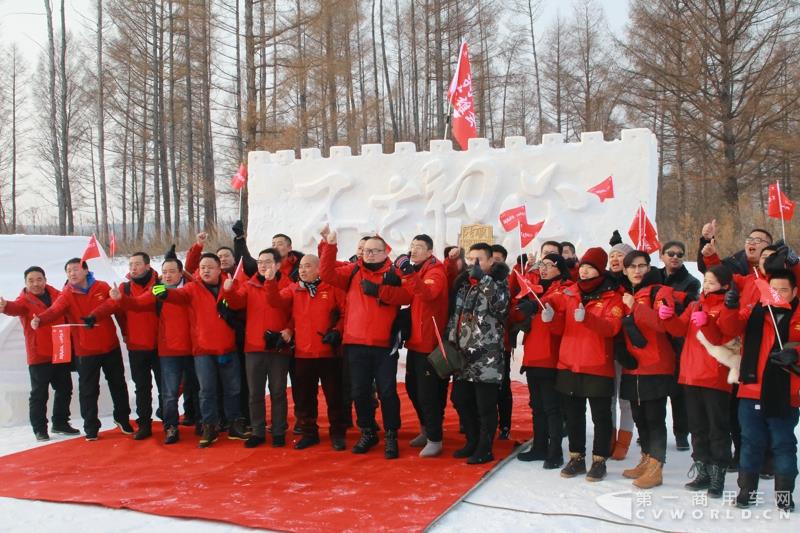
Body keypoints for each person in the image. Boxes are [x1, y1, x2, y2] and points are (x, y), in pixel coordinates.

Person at [711, 269, 799, 511]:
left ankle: (784, 495)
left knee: (783, 444)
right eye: (774, 289)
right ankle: (746, 491)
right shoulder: (755, 311)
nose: (778, 294)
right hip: (751, 390)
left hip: (786, 393)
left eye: (784, 290)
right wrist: (729, 306)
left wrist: (796, 353)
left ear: (794, 292)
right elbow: (729, 328)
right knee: (750, 443)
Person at [319, 226, 408, 459]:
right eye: (366, 250)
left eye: (374, 251)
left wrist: (380, 291)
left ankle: (391, 434)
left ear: (384, 252)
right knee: (359, 392)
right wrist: (329, 245)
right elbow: (327, 274)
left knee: (387, 392)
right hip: (355, 343)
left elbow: (407, 296)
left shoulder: (394, 273)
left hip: (384, 344)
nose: (368, 254)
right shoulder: (352, 271)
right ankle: (368, 431)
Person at [32, 258, 132, 441]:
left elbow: (113, 305)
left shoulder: (102, 286)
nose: (72, 273)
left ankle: (123, 418)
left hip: (110, 346)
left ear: (86, 270)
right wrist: (40, 319)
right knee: (88, 390)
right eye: (68, 271)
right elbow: (55, 310)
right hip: (85, 351)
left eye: (75, 269)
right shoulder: (67, 293)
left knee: (118, 384)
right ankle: (91, 427)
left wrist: (97, 315)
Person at [158, 253, 250, 447]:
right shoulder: (192, 288)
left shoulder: (231, 283)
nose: (206, 270)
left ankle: (234, 423)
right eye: (202, 267)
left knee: (233, 389)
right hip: (203, 349)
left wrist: (229, 292)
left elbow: (239, 303)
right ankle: (209, 426)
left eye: (210, 267)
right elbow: (177, 295)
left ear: (219, 269)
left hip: (227, 347)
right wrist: (165, 293)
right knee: (206, 391)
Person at [547, 247, 622, 482]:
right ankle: (577, 457)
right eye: (584, 267)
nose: (586, 272)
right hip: (569, 362)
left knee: (600, 415)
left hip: (597, 364)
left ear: (600, 270)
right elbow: (561, 328)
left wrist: (588, 319)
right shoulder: (570, 293)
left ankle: (599, 460)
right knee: (574, 413)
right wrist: (551, 319)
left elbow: (612, 328)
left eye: (591, 268)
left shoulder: (613, 296)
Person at [106, 252, 198, 444]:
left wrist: (196, 248)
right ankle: (160, 425)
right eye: (165, 271)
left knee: (195, 387)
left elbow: (197, 281)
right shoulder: (156, 289)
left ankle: (201, 422)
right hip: (160, 348)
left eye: (173, 271)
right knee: (163, 391)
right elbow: (138, 304)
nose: (168, 275)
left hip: (190, 347)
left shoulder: (191, 288)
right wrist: (119, 300)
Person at [663, 264, 737, 498]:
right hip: (691, 372)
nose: (707, 285)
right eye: (705, 281)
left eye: (712, 282)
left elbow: (722, 338)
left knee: (717, 428)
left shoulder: (728, 306)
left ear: (725, 285)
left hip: (715, 375)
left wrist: (707, 322)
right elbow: (679, 329)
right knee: (697, 427)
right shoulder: (696, 304)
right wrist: (668, 318)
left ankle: (718, 474)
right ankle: (702, 469)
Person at [265, 254, 349, 451]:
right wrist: (270, 282)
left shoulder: (332, 287)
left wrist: (337, 331)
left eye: (308, 266)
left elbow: (346, 313)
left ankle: (338, 433)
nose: (302, 270)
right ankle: (309, 432)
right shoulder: (295, 289)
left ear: (319, 269)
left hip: (329, 353)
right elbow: (276, 301)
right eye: (301, 267)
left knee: (335, 396)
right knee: (303, 397)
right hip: (303, 353)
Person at [223, 248, 293, 448]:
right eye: (260, 262)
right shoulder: (250, 284)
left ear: (278, 264)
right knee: (255, 393)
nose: (263, 265)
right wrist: (228, 289)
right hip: (253, 346)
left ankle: (278, 430)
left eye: (268, 262)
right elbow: (236, 303)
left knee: (278, 391)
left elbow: (277, 301)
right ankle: (258, 430)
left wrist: (270, 282)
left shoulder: (288, 284)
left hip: (278, 348)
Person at [617, 251, 676, 489]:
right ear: (625, 270)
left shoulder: (660, 292)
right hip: (633, 367)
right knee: (639, 416)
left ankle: (656, 465)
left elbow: (664, 325)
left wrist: (636, 308)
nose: (637, 270)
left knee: (654, 417)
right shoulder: (626, 295)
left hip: (656, 365)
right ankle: (646, 457)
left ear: (650, 268)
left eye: (642, 266)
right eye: (632, 267)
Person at [448, 242, 510, 464]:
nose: (473, 263)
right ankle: (473, 441)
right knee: (460, 398)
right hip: (463, 354)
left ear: (490, 261)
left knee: (485, 405)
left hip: (487, 356)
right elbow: (456, 315)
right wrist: (450, 340)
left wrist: (484, 280)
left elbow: (501, 306)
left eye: (479, 259)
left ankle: (485, 447)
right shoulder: (464, 284)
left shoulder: (499, 282)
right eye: (470, 258)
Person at [0, 267, 78, 441]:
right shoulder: (24, 301)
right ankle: (40, 429)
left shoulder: (58, 295)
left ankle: (60, 422)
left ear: (45, 279)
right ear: (26, 283)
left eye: (39, 279)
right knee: (39, 394)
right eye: (31, 280)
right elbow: (14, 308)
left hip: (60, 351)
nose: (35, 283)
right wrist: (5, 307)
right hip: (39, 355)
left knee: (65, 389)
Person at [513, 253, 573, 468]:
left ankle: (555, 451)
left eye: (549, 265)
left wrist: (537, 305)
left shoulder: (565, 287)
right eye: (542, 265)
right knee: (537, 406)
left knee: (551, 407)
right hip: (534, 355)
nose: (544, 269)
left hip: (551, 355)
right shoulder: (539, 287)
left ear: (559, 267)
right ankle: (539, 446)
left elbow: (560, 307)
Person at [400, 235, 449, 457]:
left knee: (428, 393)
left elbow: (428, 294)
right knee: (412, 388)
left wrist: (409, 274)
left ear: (430, 252)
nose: (414, 251)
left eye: (419, 247)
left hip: (430, 342)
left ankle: (435, 438)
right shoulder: (419, 270)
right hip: (416, 341)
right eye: (412, 247)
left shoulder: (435, 272)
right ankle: (426, 429)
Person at [114, 252, 162, 440]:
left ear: (147, 266)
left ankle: (168, 419)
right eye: (130, 264)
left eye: (137, 264)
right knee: (142, 387)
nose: (133, 268)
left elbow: (143, 303)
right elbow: (118, 312)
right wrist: (125, 332)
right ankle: (144, 423)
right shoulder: (125, 288)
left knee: (164, 386)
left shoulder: (158, 286)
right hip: (136, 346)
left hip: (159, 345)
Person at [658, 240, 699, 452]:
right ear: (662, 255)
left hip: (677, 340)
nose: (675, 257)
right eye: (670, 253)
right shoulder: (654, 275)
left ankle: (681, 432)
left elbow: (692, 302)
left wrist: (670, 296)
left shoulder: (690, 281)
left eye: (679, 254)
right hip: (655, 338)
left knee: (677, 391)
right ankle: (653, 430)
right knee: (656, 389)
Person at [607, 239, 635, 461]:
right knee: (609, 396)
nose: (614, 259)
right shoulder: (605, 283)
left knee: (626, 399)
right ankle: (609, 437)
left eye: (619, 255)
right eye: (611, 256)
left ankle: (624, 442)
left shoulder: (635, 283)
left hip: (629, 349)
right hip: (607, 348)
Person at [491, 243, 514, 440]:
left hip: (502, 343)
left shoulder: (508, 281)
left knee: (502, 385)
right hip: (479, 345)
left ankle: (504, 424)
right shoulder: (479, 280)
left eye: (498, 259)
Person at [697, 220, 772, 276]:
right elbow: (707, 270)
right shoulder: (733, 263)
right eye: (749, 239)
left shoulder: (775, 269)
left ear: (768, 247)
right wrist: (706, 241)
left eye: (757, 240)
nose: (751, 242)